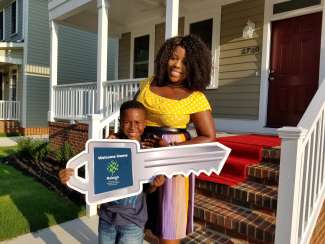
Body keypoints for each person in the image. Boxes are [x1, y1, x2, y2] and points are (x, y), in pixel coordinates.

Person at [136, 34, 216, 244]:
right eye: (173, 57)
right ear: (164, 58)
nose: (177, 65)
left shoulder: (195, 96)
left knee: (169, 223)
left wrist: (172, 147)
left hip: (174, 162)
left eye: (185, 61)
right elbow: (132, 116)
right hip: (141, 156)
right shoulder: (147, 84)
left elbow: (209, 136)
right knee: (136, 218)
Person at [59, 100, 165, 244]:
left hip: (132, 221)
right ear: (121, 122)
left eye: (137, 122)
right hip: (106, 217)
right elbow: (93, 174)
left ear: (145, 123)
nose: (133, 127)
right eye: (127, 122)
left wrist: (155, 184)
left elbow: (147, 190)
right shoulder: (108, 145)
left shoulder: (147, 151)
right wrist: (68, 177)